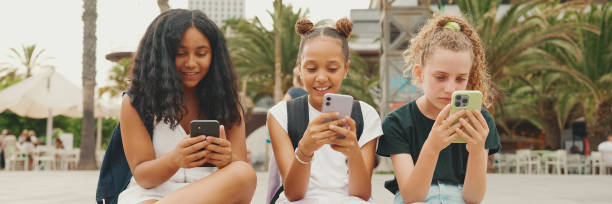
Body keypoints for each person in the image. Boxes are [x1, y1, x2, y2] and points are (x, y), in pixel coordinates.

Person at [117, 9, 256, 203]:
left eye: (201, 53)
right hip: (152, 195)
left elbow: (240, 174)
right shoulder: (136, 102)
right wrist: (175, 159)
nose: (191, 63)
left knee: (243, 171)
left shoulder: (229, 104)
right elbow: (143, 177)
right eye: (180, 53)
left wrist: (227, 159)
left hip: (209, 194)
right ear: (162, 57)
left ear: (214, 56)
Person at [376, 14, 501, 204]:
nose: (450, 88)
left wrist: (477, 151)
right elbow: (412, 196)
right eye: (440, 77)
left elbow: (473, 198)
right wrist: (433, 146)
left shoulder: (480, 121)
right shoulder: (397, 123)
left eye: (460, 78)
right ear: (419, 74)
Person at [267, 17, 383, 203]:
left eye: (332, 68)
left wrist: (353, 151)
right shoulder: (281, 115)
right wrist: (304, 150)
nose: (321, 77)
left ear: (345, 69)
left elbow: (361, 193)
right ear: (300, 69)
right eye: (311, 68)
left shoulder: (366, 115)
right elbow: (293, 194)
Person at [267, 66, 309, 203]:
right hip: (304, 140)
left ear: (296, 80)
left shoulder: (293, 91)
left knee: (276, 179)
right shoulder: (311, 97)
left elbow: (282, 110)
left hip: (288, 138)